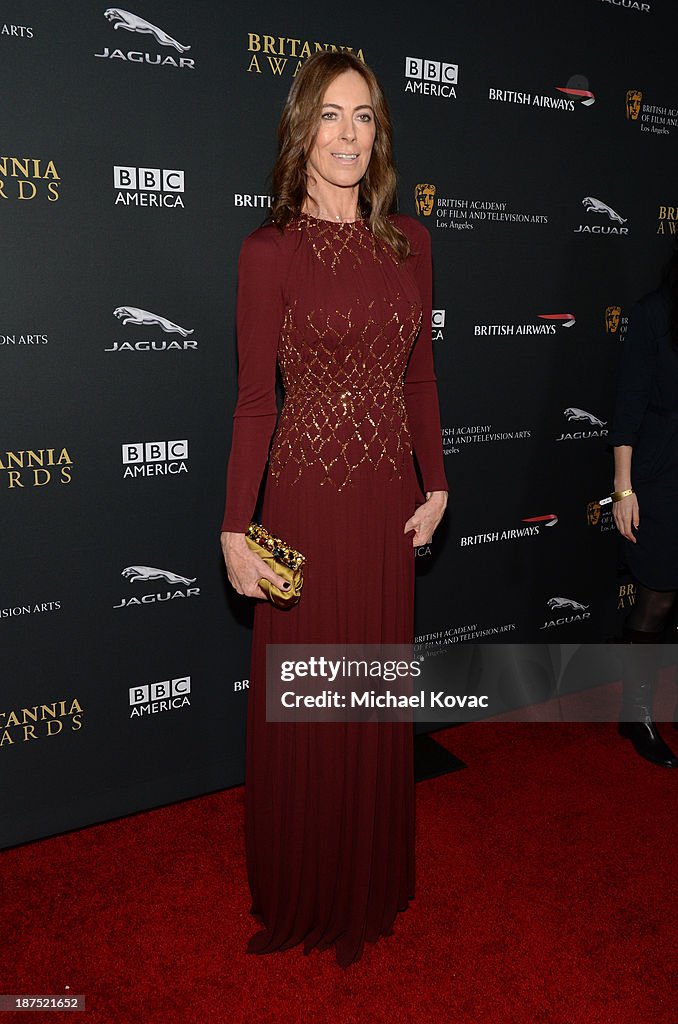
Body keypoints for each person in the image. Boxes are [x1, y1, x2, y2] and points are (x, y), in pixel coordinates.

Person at [219, 51, 449, 966]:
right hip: (307, 510)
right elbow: (252, 401)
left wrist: (439, 485)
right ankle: (309, 886)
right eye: (330, 116)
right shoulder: (267, 251)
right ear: (301, 130)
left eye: (364, 117)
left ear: (379, 134)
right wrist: (235, 528)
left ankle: (367, 874)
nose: (349, 134)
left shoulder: (412, 242)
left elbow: (422, 377)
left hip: (389, 509)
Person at [609, 248, 678, 768]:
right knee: (656, 598)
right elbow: (628, 402)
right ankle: (636, 713)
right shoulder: (654, 311)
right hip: (660, 473)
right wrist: (623, 488)